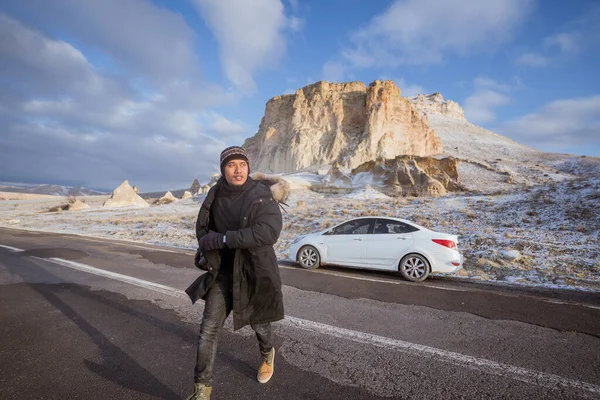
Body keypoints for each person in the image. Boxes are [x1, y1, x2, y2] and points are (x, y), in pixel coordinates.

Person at [184, 146, 289, 400]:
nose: (238, 169)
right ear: (223, 170)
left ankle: (267, 353)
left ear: (248, 167)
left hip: (253, 272)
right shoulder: (214, 195)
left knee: (260, 326)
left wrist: (222, 239)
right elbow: (202, 228)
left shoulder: (261, 193)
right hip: (222, 275)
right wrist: (206, 245)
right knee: (208, 329)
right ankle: (201, 390)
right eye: (231, 165)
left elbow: (268, 232)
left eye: (242, 164)